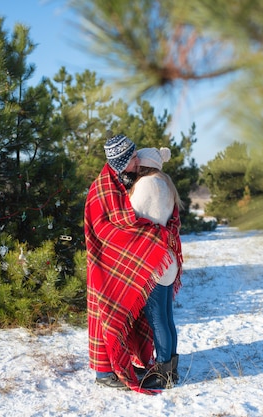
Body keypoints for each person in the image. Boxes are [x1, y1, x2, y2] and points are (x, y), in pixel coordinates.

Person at [84, 133, 180, 394]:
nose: (137, 160)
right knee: (109, 315)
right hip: (107, 264)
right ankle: (105, 372)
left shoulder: (124, 182)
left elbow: (132, 218)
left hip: (134, 262)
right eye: (133, 157)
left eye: (138, 156)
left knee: (149, 317)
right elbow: (109, 227)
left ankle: (136, 367)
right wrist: (156, 236)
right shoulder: (103, 187)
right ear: (122, 161)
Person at [129, 147, 184, 389]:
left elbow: (131, 215)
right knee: (167, 317)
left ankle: (163, 372)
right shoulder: (166, 183)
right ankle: (171, 370)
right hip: (168, 259)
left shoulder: (146, 185)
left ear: (144, 164)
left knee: (157, 318)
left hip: (153, 260)